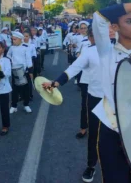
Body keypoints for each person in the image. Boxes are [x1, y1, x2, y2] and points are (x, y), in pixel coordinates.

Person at [50, 0, 131, 183]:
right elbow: (99, 17)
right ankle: (91, 166)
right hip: (113, 129)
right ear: (115, 27)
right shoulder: (107, 51)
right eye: (129, 21)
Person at [42, 25, 103, 182]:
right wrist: (56, 82)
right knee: (94, 135)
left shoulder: (119, 49)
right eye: (95, 34)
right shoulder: (89, 51)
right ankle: (91, 166)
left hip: (118, 100)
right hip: (96, 97)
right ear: (90, 37)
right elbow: (74, 68)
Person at [7, 31, 33, 113]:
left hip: (24, 71)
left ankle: (26, 104)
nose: (13, 41)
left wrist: (30, 71)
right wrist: (11, 61)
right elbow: (8, 55)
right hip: (15, 70)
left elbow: (28, 59)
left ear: (20, 39)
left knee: (26, 89)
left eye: (15, 39)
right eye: (13, 40)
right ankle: (14, 106)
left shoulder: (25, 47)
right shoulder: (11, 48)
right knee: (15, 89)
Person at [23, 31, 37, 100]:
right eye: (24, 36)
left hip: (29, 64)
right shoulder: (20, 45)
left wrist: (32, 58)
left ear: (29, 37)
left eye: (27, 36)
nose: (25, 38)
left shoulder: (32, 45)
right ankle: (22, 94)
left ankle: (30, 94)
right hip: (22, 65)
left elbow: (34, 54)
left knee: (29, 80)